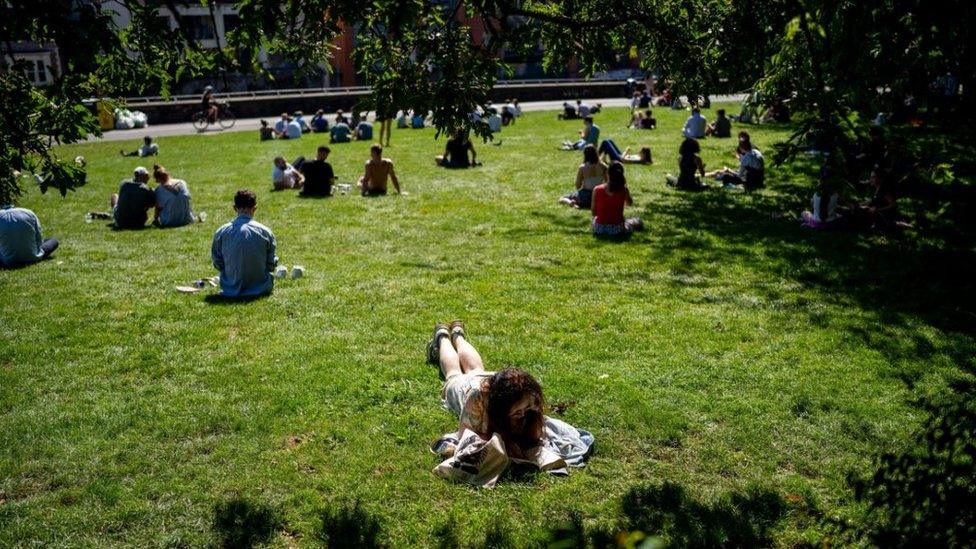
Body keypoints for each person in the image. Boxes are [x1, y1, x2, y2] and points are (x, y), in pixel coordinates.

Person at [211, 190, 277, 298]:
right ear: (255, 208)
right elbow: (271, 264)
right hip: (261, 287)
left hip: (230, 287)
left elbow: (217, 262)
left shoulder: (221, 232)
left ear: (234, 208)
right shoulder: (265, 231)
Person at [591, 162, 643, 237]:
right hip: (617, 229)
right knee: (636, 221)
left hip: (599, 229)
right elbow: (630, 203)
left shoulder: (597, 189)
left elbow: (593, 212)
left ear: (608, 174)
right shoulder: (624, 190)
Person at [558, 144, 606, 209]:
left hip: (585, 197)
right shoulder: (603, 166)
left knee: (561, 198)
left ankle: (571, 203)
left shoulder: (583, 167)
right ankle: (575, 203)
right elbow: (607, 182)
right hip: (599, 197)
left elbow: (578, 185)